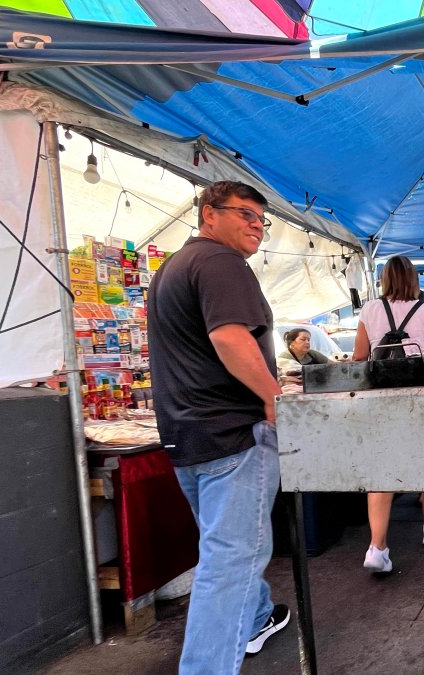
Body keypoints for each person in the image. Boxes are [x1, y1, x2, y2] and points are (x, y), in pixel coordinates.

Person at [148, 181, 290, 672]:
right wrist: (274, 401)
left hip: (188, 435)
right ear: (209, 214)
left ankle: (255, 619)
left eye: (261, 218)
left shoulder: (173, 267)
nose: (256, 225)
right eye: (245, 213)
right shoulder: (221, 262)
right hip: (233, 433)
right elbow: (230, 338)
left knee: (228, 549)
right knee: (230, 564)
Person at [352, 255, 424, 572]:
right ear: (414, 279)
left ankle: (377, 548)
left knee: (382, 466)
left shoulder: (370, 310)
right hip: (421, 396)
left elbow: (359, 357)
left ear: (385, 279)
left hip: (381, 397)